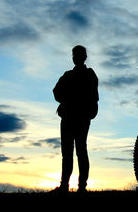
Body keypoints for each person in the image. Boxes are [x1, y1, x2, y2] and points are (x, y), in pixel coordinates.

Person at [52, 45, 99, 194]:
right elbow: (56, 93)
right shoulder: (70, 75)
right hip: (71, 117)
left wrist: (70, 99)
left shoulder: (87, 75)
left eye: (78, 55)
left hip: (77, 117)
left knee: (77, 151)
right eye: (75, 55)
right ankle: (68, 186)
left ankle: (78, 187)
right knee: (72, 152)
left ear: (83, 57)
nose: (76, 57)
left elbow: (94, 98)